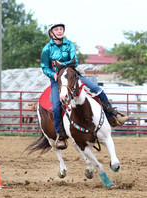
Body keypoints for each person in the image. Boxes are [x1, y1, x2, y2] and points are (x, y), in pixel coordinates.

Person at [41, 21, 128, 150]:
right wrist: (52, 74)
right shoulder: (47, 49)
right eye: (57, 29)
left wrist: (66, 68)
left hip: (72, 76)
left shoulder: (69, 44)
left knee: (98, 90)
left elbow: (74, 60)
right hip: (57, 80)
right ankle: (61, 135)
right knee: (56, 106)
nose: (60, 31)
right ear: (51, 33)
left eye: (61, 29)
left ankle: (112, 117)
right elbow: (44, 67)